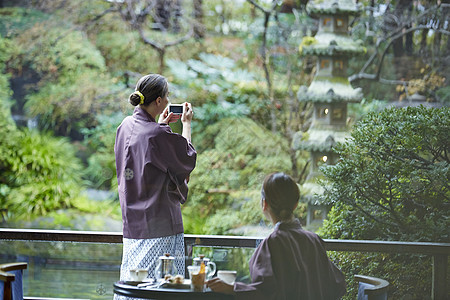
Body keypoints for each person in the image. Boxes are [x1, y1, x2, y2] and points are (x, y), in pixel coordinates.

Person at [207, 172, 346, 300]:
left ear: (264, 204)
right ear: (296, 204)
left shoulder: (272, 244)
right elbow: (337, 284)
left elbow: (264, 293)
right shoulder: (314, 240)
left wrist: (232, 288)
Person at [114, 74, 196, 282]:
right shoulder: (156, 134)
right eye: (166, 96)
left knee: (134, 285)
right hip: (160, 226)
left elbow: (146, 159)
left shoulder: (125, 126)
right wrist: (186, 124)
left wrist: (160, 125)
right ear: (158, 101)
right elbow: (186, 158)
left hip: (132, 224)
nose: (168, 100)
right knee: (162, 286)